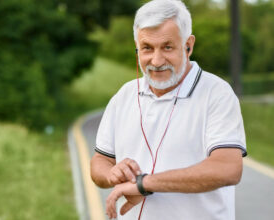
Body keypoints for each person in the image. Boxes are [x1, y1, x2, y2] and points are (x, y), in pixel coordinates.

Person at [90, 0, 247, 219]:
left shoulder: (217, 93)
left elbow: (228, 168)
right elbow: (100, 161)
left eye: (167, 47)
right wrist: (112, 174)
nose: (156, 60)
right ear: (137, 48)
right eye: (147, 48)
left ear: (188, 45)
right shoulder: (124, 96)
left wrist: (144, 184)